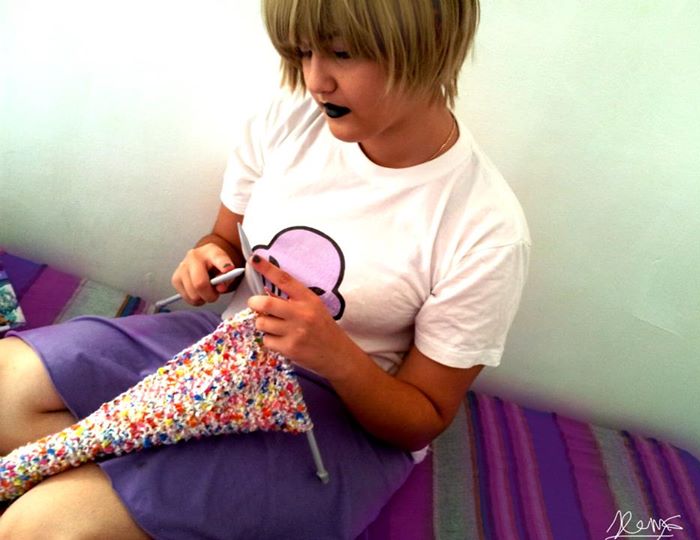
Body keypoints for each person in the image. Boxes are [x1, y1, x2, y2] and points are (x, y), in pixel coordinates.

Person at [0, 0, 530, 538]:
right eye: (302, 52)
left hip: (340, 415)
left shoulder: (484, 229)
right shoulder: (288, 120)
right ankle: (134, 476)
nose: (315, 80)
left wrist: (336, 356)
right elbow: (225, 239)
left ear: (429, 47)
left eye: (342, 53)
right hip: (223, 351)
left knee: (44, 526)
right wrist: (208, 259)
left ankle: (120, 485)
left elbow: (421, 420)